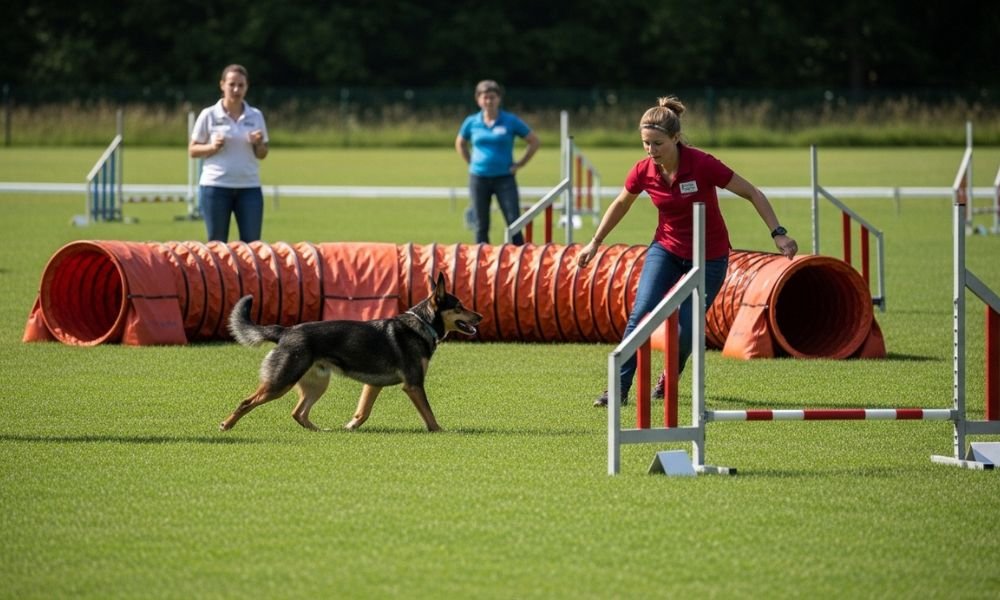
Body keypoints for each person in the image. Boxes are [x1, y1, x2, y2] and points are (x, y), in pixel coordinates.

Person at [578, 96, 798, 407]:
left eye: (657, 144)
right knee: (641, 313)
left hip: (709, 257)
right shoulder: (643, 171)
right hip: (666, 250)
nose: (651, 151)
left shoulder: (702, 164)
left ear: (676, 138)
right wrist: (595, 241)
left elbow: (751, 192)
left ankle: (669, 377)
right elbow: (621, 204)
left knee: (685, 332)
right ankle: (618, 389)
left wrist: (778, 233)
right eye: (645, 143)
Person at [189, 64, 269, 243]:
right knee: (217, 245)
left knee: (252, 245)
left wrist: (258, 143)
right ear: (222, 85)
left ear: (247, 87)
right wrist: (212, 147)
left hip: (249, 187)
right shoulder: (209, 114)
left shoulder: (255, 115)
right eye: (232, 84)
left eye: (241, 85)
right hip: (216, 187)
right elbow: (192, 150)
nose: (236, 89)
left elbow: (262, 154)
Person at [455, 80, 541, 245]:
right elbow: (460, 143)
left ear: (499, 99)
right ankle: (482, 258)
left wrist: (520, 164)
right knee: (481, 225)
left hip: (504, 178)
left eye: (492, 97)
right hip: (479, 178)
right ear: (478, 100)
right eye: (485, 97)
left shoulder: (510, 120)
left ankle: (519, 257)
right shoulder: (471, 122)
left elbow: (534, 141)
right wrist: (471, 162)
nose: (489, 101)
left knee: (514, 222)